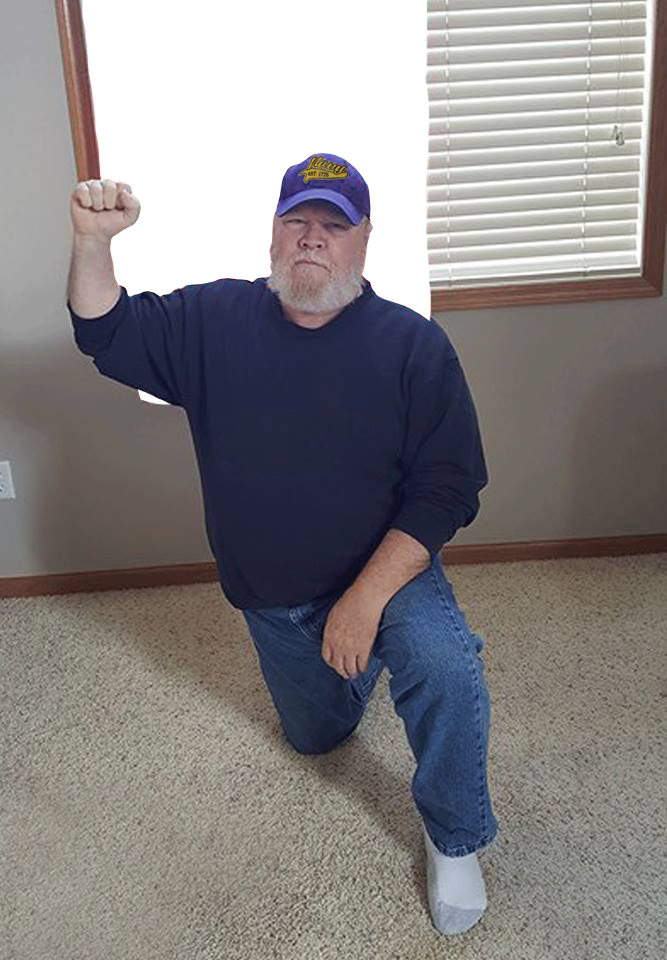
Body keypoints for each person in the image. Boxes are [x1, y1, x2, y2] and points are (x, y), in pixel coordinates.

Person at [67, 153, 499, 936]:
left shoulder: (414, 346)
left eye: (334, 224)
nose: (312, 236)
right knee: (316, 738)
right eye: (296, 220)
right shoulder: (212, 318)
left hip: (386, 576)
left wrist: (364, 603)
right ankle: (358, 666)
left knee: (442, 663)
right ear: (272, 236)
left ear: (364, 241)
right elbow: (105, 330)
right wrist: (92, 241)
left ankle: (455, 835)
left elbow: (448, 488)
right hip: (272, 597)